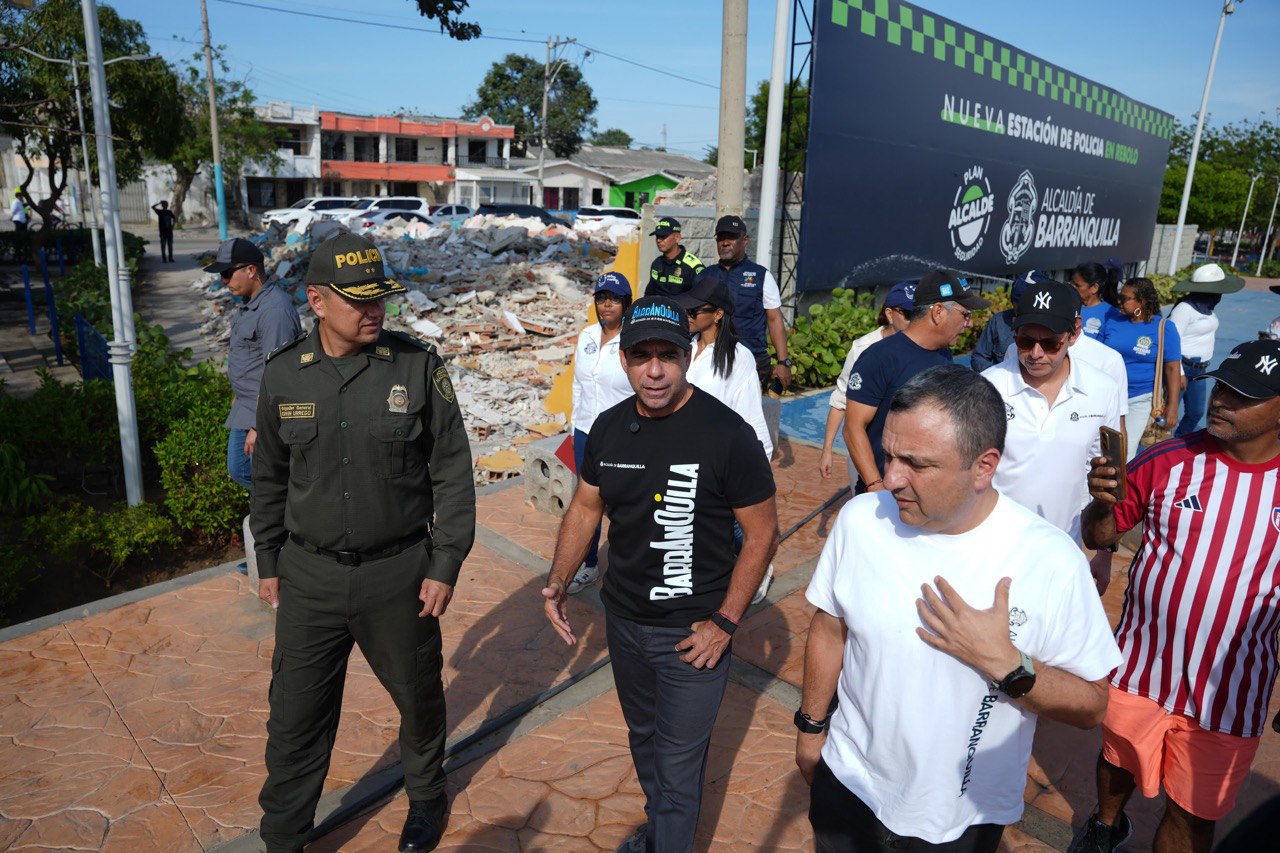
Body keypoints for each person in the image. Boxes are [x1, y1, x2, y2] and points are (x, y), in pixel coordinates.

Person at [798, 365, 1121, 853]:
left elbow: (1092, 705)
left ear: (984, 467)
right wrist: (810, 727)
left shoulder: (1049, 560)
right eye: (888, 455)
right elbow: (829, 629)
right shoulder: (862, 521)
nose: (890, 478)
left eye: (917, 463)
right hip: (848, 783)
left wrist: (1011, 667)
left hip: (960, 816)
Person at [251, 231, 476, 853]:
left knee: (419, 698)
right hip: (310, 578)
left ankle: (427, 797)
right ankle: (284, 834)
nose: (375, 310)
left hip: (399, 575)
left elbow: (453, 471)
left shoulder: (417, 368)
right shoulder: (284, 378)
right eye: (359, 300)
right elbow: (269, 477)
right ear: (317, 301)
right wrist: (268, 559)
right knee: (295, 716)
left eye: (380, 298)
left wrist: (446, 562)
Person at [542, 295, 779, 853]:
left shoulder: (727, 435)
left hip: (693, 637)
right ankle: (659, 836)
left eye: (667, 355)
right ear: (622, 359)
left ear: (686, 357)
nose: (654, 370)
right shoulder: (607, 429)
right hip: (624, 625)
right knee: (645, 742)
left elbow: (763, 533)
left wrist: (724, 622)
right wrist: (557, 580)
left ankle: (666, 839)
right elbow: (584, 508)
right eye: (641, 355)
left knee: (676, 769)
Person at [1073, 339, 1280, 853]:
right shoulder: (1167, 458)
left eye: (1245, 395)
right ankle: (1104, 828)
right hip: (1141, 666)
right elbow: (1100, 536)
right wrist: (1101, 503)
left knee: (1192, 814)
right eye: (1222, 387)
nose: (1222, 401)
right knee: (1116, 762)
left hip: (1230, 692)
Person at [981, 279, 1121, 544]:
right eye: (1025, 341)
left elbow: (1104, 476)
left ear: (1075, 332)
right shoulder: (987, 386)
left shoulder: (1103, 389)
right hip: (992, 542)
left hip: (1063, 544)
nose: (1036, 354)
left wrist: (1104, 551)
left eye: (1050, 344)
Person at [674, 274, 776, 605]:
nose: (688, 317)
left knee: (737, 528)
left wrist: (756, 469)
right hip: (687, 456)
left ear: (718, 313)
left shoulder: (738, 358)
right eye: (687, 312)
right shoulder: (686, 349)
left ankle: (760, 567)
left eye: (695, 312)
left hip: (723, 462)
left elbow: (749, 418)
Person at [842, 269, 989, 493]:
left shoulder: (944, 357)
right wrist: (875, 485)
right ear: (938, 312)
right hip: (887, 491)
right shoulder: (879, 357)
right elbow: (853, 427)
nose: (969, 324)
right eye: (965, 314)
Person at [203, 238, 302, 490]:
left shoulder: (274, 310)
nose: (223, 281)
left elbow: (280, 374)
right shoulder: (250, 304)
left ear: (250, 270)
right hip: (247, 406)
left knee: (250, 472)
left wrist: (260, 426)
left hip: (261, 413)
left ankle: (292, 516)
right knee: (245, 471)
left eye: (227, 273)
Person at [566, 271, 634, 595]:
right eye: (602, 298)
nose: (607, 304)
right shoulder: (586, 336)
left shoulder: (633, 340)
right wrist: (574, 424)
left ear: (625, 303)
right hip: (585, 432)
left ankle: (628, 567)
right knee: (587, 500)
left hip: (620, 434)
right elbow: (579, 384)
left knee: (624, 503)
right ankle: (590, 564)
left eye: (614, 299)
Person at [819, 282, 914, 484]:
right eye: (908, 314)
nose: (913, 320)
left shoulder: (922, 347)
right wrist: (827, 450)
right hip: (867, 447)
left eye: (918, 314)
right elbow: (841, 400)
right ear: (890, 314)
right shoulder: (864, 347)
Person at [696, 214, 792, 389]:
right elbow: (692, 318)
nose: (725, 242)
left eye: (731, 237)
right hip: (711, 361)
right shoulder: (704, 276)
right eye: (721, 238)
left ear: (745, 239)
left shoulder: (762, 276)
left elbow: (774, 319)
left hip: (752, 362)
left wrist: (783, 362)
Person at [1101, 277, 1182, 459]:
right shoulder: (1113, 319)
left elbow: (1173, 369)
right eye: (1119, 297)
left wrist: (1173, 407)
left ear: (1142, 301)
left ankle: (1120, 487)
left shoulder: (1163, 328)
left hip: (1138, 400)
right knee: (1097, 448)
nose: (1118, 302)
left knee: (1123, 453)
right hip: (1107, 395)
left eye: (1125, 298)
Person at [1169, 263, 1244, 436]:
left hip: (1200, 370)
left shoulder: (1208, 309)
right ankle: (1160, 451)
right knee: (1168, 414)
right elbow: (1171, 341)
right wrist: (1179, 372)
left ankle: (1178, 443)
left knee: (1196, 413)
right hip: (1181, 367)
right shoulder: (1184, 308)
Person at [968, 270, 1036, 373]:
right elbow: (979, 357)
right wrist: (1000, 374)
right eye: (1021, 307)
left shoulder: (1053, 326)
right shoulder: (998, 321)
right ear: (1013, 303)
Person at [644, 216, 704, 298]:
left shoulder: (693, 266)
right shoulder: (656, 264)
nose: (658, 240)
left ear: (677, 238)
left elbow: (701, 297)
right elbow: (649, 294)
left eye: (663, 236)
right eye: (657, 236)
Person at [1072, 261, 1124, 340]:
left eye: (1077, 285)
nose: (1072, 287)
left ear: (1094, 288)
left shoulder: (1111, 315)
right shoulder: (1067, 305)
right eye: (1072, 283)